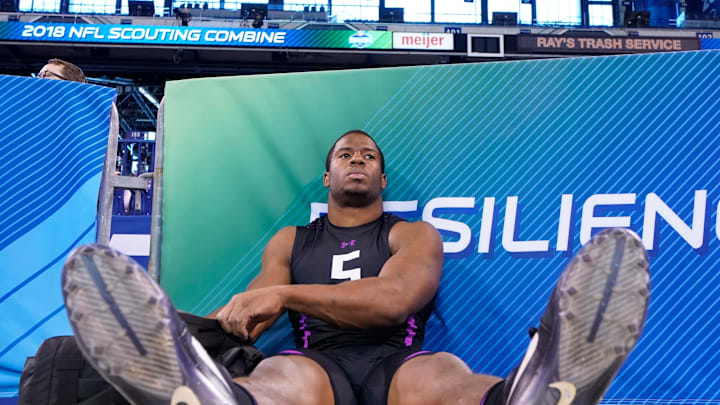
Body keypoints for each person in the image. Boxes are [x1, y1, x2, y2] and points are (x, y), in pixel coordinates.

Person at [61, 130, 650, 405]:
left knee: (444, 379)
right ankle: (211, 400)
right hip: (320, 364)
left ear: (383, 179)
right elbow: (252, 314)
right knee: (278, 384)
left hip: (399, 360)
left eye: (369, 156)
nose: (358, 161)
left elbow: (395, 300)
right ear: (328, 176)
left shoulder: (411, 233)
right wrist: (221, 321)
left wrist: (287, 295)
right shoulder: (291, 240)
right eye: (346, 155)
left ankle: (525, 399)